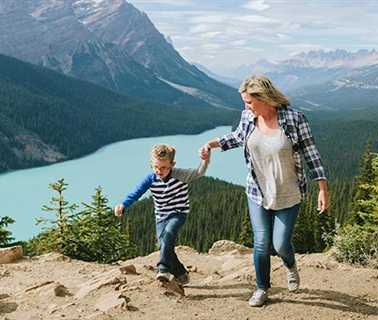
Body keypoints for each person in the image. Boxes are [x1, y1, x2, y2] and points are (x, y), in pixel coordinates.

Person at [200, 75, 328, 307]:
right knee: (261, 242)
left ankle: (290, 266)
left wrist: (322, 188)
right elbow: (238, 137)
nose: (246, 107)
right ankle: (261, 288)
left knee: (280, 244)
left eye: (249, 102)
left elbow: (311, 154)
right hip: (257, 192)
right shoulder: (248, 117)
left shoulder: (294, 119)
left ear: (265, 98)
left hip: (289, 192)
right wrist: (212, 144)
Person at [114, 144, 209, 285]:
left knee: (169, 233)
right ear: (151, 164)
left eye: (164, 167)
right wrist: (123, 204)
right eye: (155, 167)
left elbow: (199, 172)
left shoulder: (180, 175)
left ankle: (163, 269)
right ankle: (180, 273)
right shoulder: (150, 179)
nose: (159, 171)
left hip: (179, 212)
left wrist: (205, 160)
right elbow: (136, 193)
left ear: (172, 164)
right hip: (161, 216)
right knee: (165, 244)